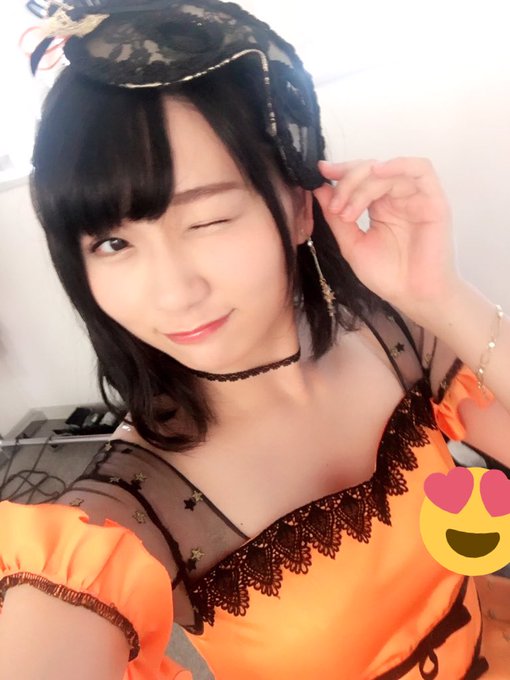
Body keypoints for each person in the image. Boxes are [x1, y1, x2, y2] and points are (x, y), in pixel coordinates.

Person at [1, 1, 509, 678]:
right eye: (113, 243)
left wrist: (440, 295)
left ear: (298, 207)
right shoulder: (129, 511)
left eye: (208, 220)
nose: (172, 293)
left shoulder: (396, 338)